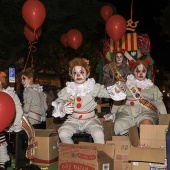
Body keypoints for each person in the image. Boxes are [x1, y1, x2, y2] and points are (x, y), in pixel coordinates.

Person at [51, 58, 118, 144]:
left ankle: (99, 155)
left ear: (87, 74)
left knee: (98, 134)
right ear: (71, 75)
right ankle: (73, 153)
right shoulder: (68, 89)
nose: (78, 75)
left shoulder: (92, 87)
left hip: (90, 120)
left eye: (82, 72)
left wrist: (117, 89)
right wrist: (62, 107)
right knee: (63, 134)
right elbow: (58, 101)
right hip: (73, 120)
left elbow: (108, 93)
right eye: (75, 72)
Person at [107, 59, 167, 136]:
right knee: (119, 124)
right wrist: (112, 114)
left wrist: (165, 119)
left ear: (146, 72)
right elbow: (118, 100)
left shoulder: (152, 87)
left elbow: (159, 103)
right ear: (133, 72)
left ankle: (145, 145)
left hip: (146, 112)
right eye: (138, 71)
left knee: (147, 126)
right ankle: (126, 145)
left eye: (143, 71)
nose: (141, 73)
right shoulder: (125, 85)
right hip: (127, 112)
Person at [0, 71, 23, 170]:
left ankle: (3, 161)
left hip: (11, 123)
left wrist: (12, 124)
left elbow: (19, 110)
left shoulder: (9, 94)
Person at [103, 51, 132, 118]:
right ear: (115, 58)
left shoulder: (127, 68)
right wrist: (114, 83)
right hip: (113, 90)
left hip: (125, 90)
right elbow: (105, 79)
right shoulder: (109, 67)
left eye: (120, 56)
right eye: (117, 56)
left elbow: (131, 79)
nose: (119, 58)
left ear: (123, 58)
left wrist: (124, 84)